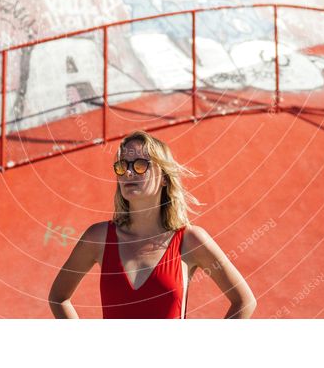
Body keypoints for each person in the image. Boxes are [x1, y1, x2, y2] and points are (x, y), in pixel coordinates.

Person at [48, 130, 256, 319]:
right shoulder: (98, 237)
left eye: (140, 165)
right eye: (122, 166)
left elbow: (244, 301)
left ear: (164, 177)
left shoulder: (190, 240)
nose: (128, 173)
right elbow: (58, 297)